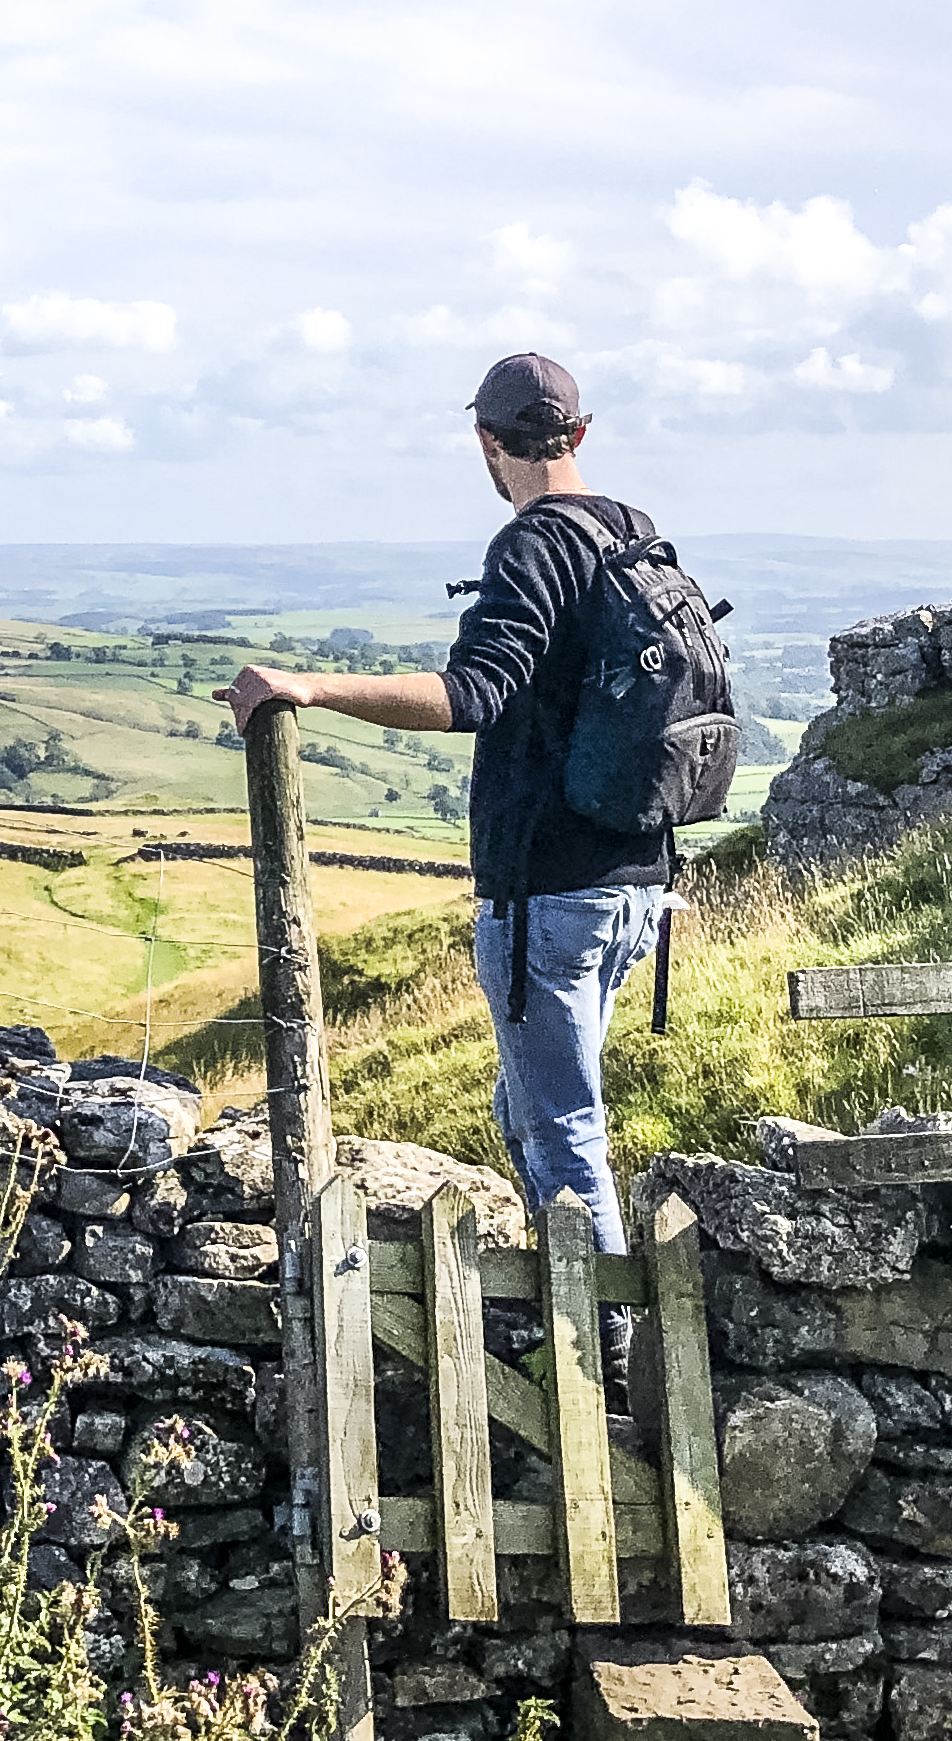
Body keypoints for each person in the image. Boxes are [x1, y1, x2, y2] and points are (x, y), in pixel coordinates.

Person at [223, 353, 672, 1252]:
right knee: (531, 1107)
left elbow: (474, 693)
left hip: (547, 888)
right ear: (580, 434)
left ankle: (605, 1360)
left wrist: (309, 688)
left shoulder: (535, 545)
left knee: (561, 1130)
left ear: (486, 442)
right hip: (637, 885)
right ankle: (572, 1316)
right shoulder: (633, 531)